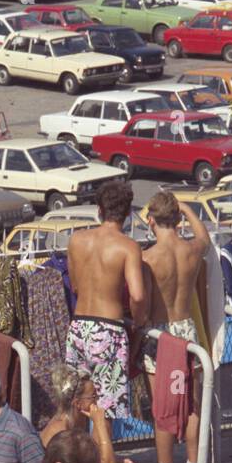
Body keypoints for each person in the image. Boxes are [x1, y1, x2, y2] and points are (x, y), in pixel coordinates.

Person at [64, 178, 149, 427]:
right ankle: (103, 461)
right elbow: (138, 295)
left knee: (77, 400)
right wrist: (138, 320)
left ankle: (77, 459)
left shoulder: (77, 240)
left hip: (79, 327)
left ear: (99, 210)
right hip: (109, 329)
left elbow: (76, 286)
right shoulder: (128, 247)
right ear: (127, 213)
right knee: (106, 408)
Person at [142, 190, 208, 463]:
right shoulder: (193, 251)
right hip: (187, 331)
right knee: (191, 404)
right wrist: (186, 209)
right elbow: (204, 236)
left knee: (163, 407)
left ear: (152, 221)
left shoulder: (148, 258)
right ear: (178, 219)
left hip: (160, 335)